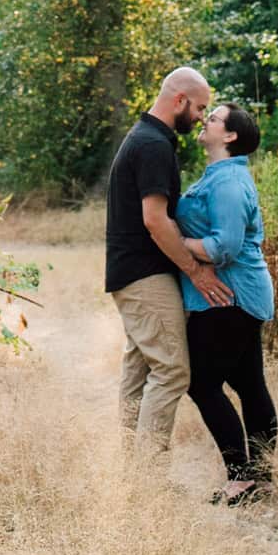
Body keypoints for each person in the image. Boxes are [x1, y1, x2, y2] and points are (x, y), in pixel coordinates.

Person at [104, 67, 233, 453]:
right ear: (179, 100)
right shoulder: (153, 145)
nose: (199, 118)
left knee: (139, 369)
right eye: (199, 108)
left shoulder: (146, 138)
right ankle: (148, 478)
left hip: (129, 274)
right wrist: (195, 271)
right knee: (173, 372)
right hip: (145, 276)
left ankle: (133, 473)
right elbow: (155, 219)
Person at [176, 102, 278, 506]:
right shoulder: (219, 176)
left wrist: (177, 246)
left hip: (230, 296)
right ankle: (261, 478)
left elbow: (225, 246)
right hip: (234, 295)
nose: (206, 121)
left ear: (231, 136)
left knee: (201, 383)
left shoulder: (229, 182)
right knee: (250, 385)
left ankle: (241, 478)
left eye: (214, 119)